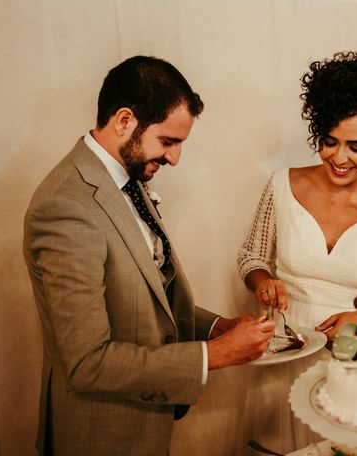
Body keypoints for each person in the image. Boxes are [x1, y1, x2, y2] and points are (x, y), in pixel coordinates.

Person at [23, 55, 275, 455]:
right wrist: (215, 355)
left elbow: (146, 296)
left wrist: (216, 328)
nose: (175, 158)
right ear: (124, 121)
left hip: (144, 426)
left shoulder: (125, 178)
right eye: (168, 141)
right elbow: (88, 362)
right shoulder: (66, 206)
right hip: (99, 435)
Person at [236, 51, 357, 453]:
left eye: (356, 146)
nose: (339, 158)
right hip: (285, 350)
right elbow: (251, 257)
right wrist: (264, 281)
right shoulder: (281, 185)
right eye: (329, 142)